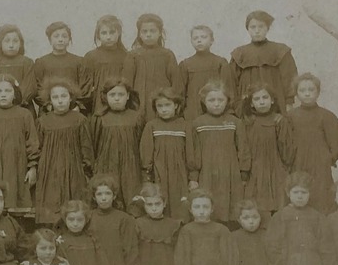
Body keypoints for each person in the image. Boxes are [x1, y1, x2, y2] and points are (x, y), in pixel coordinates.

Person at [33, 80, 95, 224]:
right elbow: (38, 148)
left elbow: (86, 148)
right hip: (49, 170)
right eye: (55, 97)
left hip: (74, 169)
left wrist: (86, 170)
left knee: (73, 204)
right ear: (49, 100)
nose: (60, 101)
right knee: (51, 203)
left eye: (64, 96)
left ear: (71, 98)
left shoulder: (80, 120)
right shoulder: (42, 122)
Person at [0, 75, 38, 213]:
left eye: (8, 91)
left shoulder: (25, 114)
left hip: (18, 165)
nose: (3, 94)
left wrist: (32, 167)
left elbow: (32, 143)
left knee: (17, 200)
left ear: (15, 94)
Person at [189, 82, 250, 225]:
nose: (216, 104)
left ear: (227, 101)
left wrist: (243, 173)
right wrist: (193, 177)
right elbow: (194, 152)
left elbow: (243, 149)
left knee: (230, 205)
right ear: (204, 101)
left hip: (230, 172)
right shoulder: (198, 123)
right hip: (207, 172)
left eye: (220, 100)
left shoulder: (235, 122)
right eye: (211, 100)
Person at [287, 73, 338, 213]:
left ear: (318, 92)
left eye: (311, 90)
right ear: (296, 93)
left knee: (321, 196)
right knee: (300, 193)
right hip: (298, 162)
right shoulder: (290, 117)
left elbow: (337, 142)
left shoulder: (326, 116)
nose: (307, 94)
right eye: (302, 90)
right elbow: (285, 141)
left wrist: (327, 158)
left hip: (320, 165)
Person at [139, 87, 196, 222]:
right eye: (160, 106)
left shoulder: (185, 125)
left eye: (167, 105)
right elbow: (146, 153)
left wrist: (193, 177)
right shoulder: (151, 126)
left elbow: (191, 153)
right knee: (159, 201)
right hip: (159, 173)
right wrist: (147, 178)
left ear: (176, 105)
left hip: (179, 173)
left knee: (180, 204)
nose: (164, 109)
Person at [91, 78, 143, 223]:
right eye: (112, 95)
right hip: (106, 164)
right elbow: (94, 144)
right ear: (105, 97)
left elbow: (140, 142)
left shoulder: (136, 117)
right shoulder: (99, 118)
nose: (117, 99)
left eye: (121, 95)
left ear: (127, 96)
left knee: (131, 196)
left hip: (131, 166)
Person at [230, 9, 298, 115]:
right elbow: (232, 82)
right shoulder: (239, 53)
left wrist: (289, 102)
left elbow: (289, 78)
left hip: (276, 101)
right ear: (247, 29)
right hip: (247, 103)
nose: (257, 31)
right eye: (253, 27)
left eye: (261, 26)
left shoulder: (280, 50)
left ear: (267, 28)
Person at [243, 83, 295, 217]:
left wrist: (284, 168)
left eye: (265, 98)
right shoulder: (248, 122)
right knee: (256, 205)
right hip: (254, 169)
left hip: (276, 169)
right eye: (257, 99)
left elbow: (286, 149)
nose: (261, 102)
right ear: (251, 104)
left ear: (272, 100)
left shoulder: (279, 121)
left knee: (279, 205)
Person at [27, 21, 94, 112]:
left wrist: (77, 105)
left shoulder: (79, 62)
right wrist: (48, 105)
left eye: (64, 36)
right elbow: (38, 87)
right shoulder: (41, 63)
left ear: (69, 39)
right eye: (56, 36)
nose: (60, 39)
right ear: (50, 39)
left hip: (74, 110)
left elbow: (85, 86)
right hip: (49, 111)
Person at [125, 13, 180, 115]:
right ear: (139, 34)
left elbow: (176, 83)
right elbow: (127, 83)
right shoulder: (133, 55)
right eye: (144, 31)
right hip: (139, 104)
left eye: (153, 31)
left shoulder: (167, 55)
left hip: (162, 104)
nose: (148, 34)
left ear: (160, 33)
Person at [178, 24, 234, 121]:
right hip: (193, 110)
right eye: (195, 38)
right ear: (191, 41)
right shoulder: (185, 64)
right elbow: (180, 91)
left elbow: (227, 88)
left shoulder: (220, 62)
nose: (199, 40)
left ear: (211, 41)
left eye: (203, 37)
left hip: (216, 108)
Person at [0, 25, 35, 111]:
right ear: (0, 43)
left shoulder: (27, 62)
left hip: (22, 108)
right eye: (7, 41)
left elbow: (29, 87)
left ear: (21, 43)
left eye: (15, 41)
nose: (11, 45)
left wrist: (14, 102)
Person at [83, 15, 131, 111]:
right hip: (99, 102)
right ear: (98, 35)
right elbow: (86, 85)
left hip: (120, 101)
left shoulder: (127, 56)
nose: (108, 37)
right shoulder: (91, 56)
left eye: (112, 32)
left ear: (119, 33)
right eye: (104, 33)